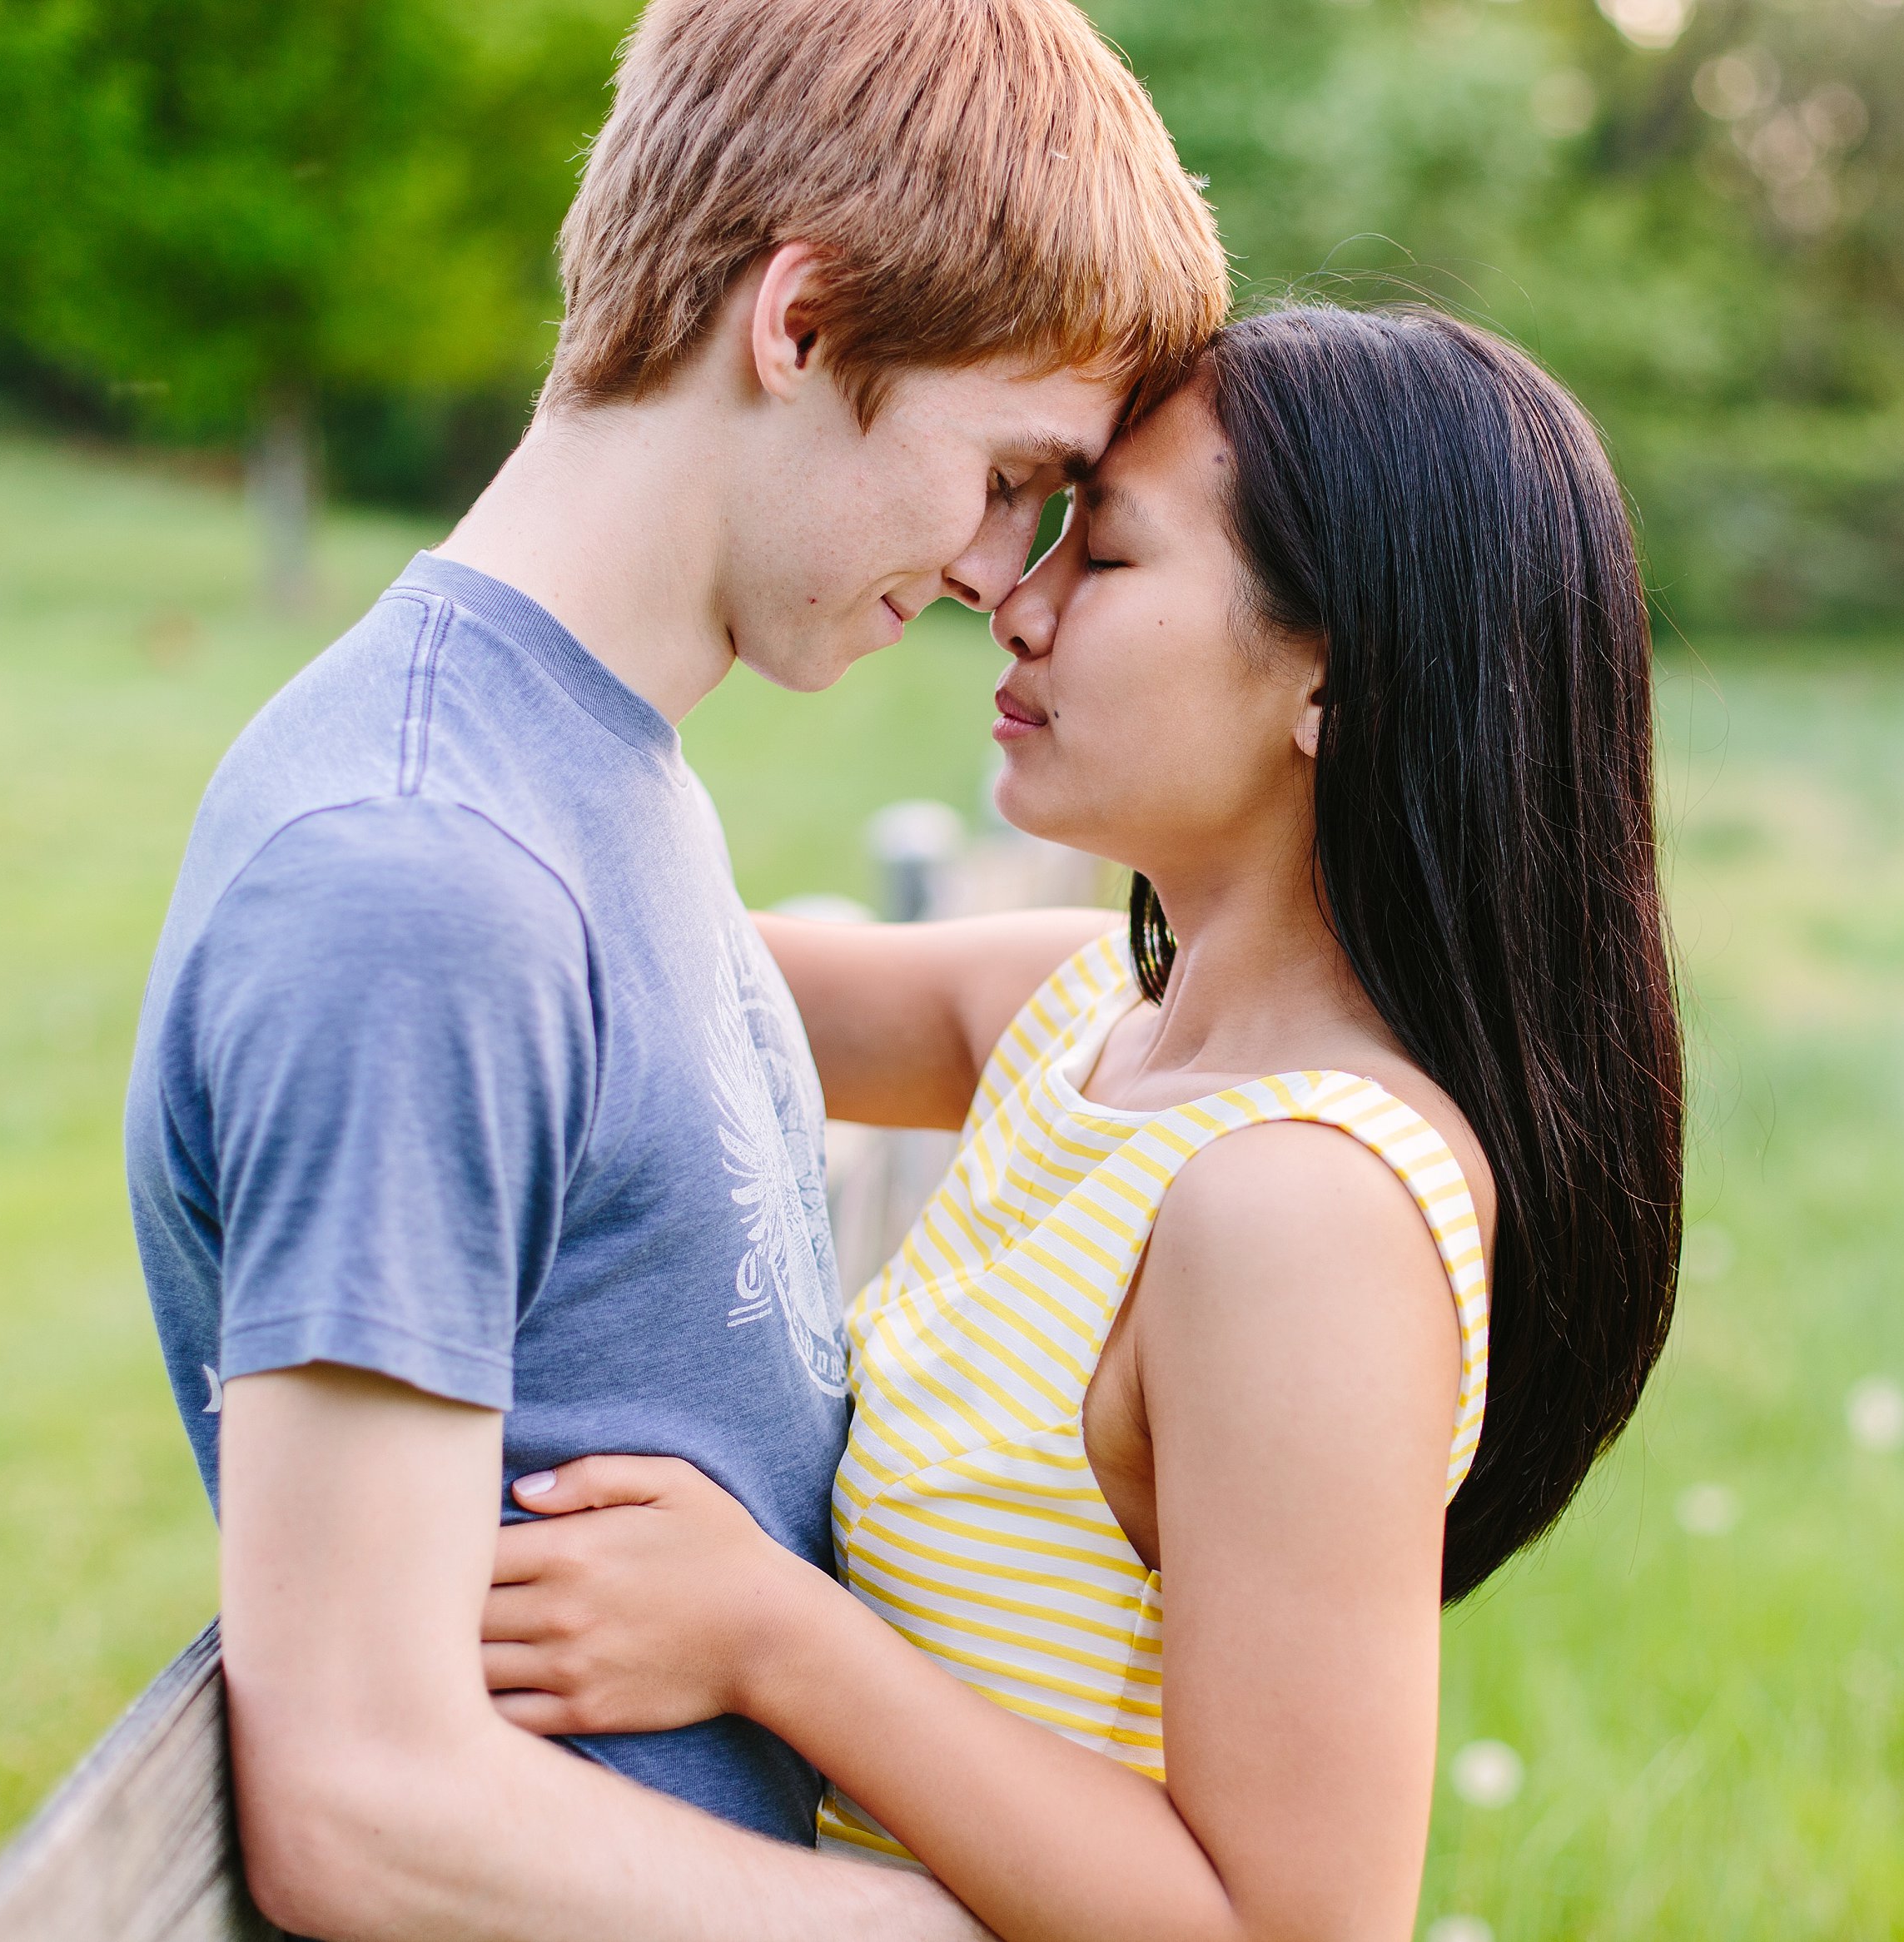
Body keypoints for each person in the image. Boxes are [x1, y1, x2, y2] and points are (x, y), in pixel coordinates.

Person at [120, 1, 1225, 1935]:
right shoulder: (422, 875)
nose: (995, 571)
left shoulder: (602, 780)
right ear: (797, 321)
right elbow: (367, 1803)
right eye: (1003, 471)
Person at [470, 305, 1688, 1942]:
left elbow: (1289, 1925)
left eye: (1101, 561)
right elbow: (599, 955)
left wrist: (770, 1637)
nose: (1013, 603)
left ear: (1333, 670)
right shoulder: (1070, 1021)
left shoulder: (1303, 1211)